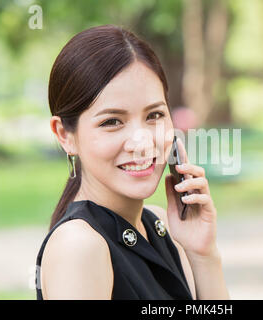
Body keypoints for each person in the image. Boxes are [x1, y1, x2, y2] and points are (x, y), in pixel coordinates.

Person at [35, 24, 229, 300]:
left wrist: (203, 254)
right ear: (65, 135)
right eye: (112, 122)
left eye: (154, 115)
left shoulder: (160, 224)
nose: (142, 142)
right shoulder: (79, 246)